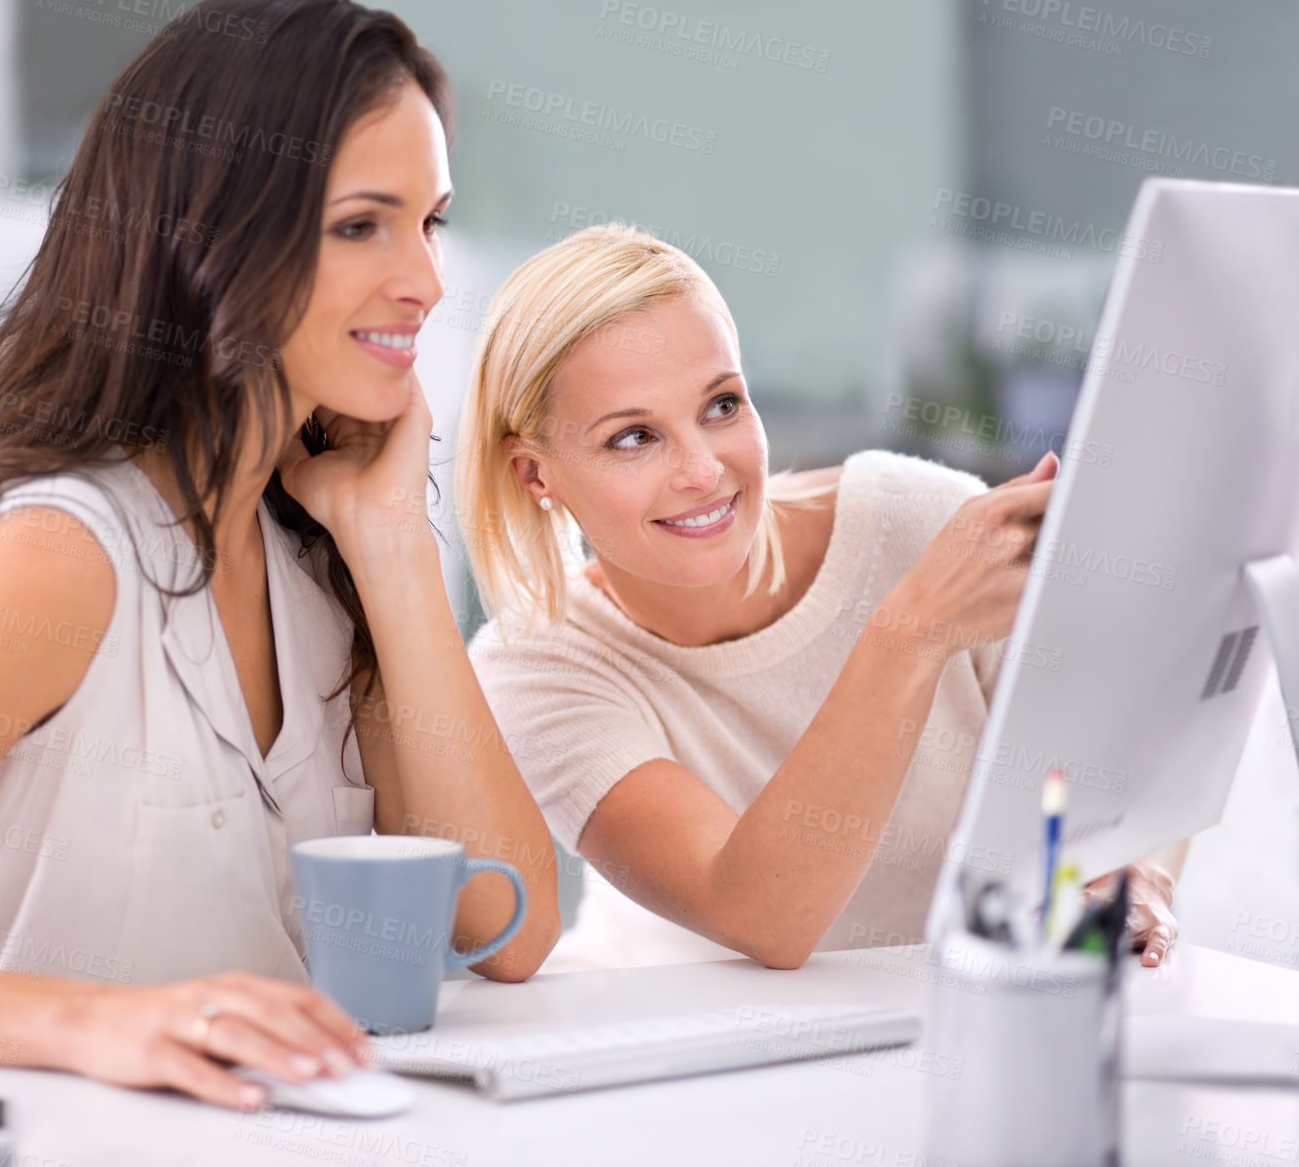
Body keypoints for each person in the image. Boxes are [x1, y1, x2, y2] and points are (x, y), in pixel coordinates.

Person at [0, 0, 559, 1112]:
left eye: (429, 221)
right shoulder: (59, 560)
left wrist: (390, 552)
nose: (425, 280)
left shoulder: (318, 562)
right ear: (209, 237)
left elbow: (503, 928)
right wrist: (99, 1023)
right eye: (359, 225)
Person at [455, 222, 1183, 972]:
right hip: (681, 1050)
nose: (704, 470)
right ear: (533, 474)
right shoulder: (536, 666)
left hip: (928, 1026)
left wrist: (1135, 872)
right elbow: (760, 913)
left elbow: (1132, 755)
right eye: (633, 437)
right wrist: (910, 632)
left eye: (721, 405)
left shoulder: (914, 523)